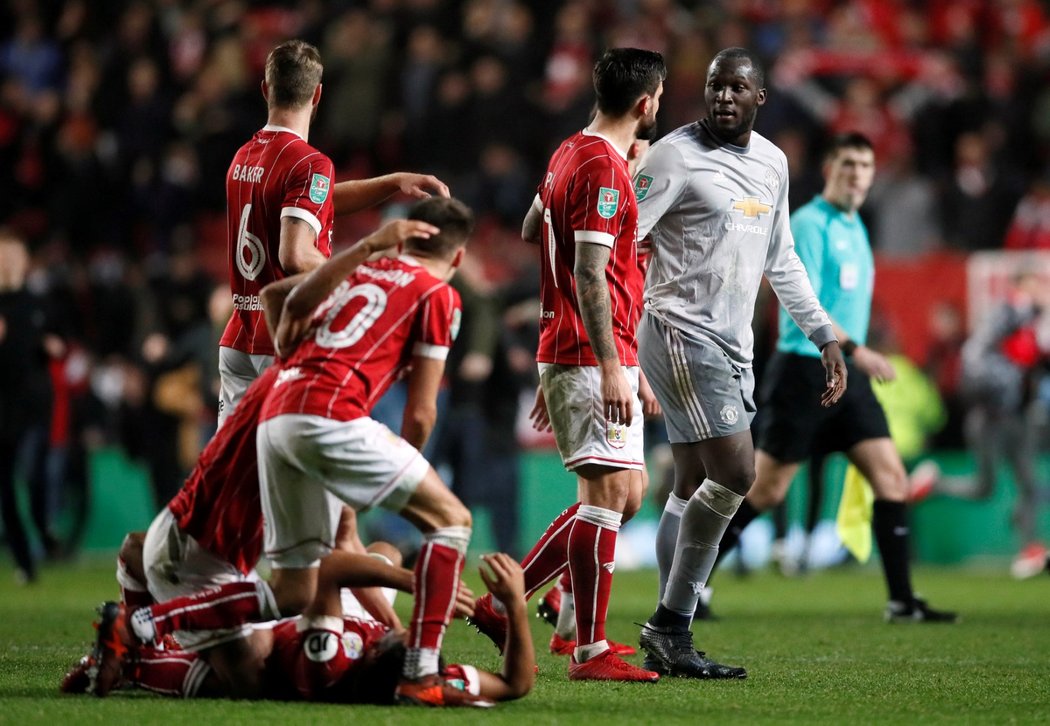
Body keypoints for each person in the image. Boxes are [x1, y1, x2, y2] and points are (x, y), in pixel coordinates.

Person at [100, 197, 479, 708]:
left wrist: (292, 352)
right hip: (332, 414)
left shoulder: (360, 271)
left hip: (277, 409)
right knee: (451, 521)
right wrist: (404, 465)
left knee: (297, 589)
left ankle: (144, 624)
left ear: (407, 237)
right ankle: (421, 669)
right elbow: (422, 412)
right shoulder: (438, 294)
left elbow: (278, 296)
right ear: (456, 260)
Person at [631, 47, 847, 679]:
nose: (724, 96)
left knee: (693, 484)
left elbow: (781, 260)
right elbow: (621, 242)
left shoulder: (773, 163)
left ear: (760, 99)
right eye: (714, 86)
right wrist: (615, 340)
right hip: (678, 329)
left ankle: (671, 618)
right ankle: (672, 624)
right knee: (737, 471)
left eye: (737, 88)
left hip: (732, 341)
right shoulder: (672, 154)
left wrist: (823, 333)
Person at [469, 48, 666, 683]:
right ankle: (588, 650)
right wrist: (609, 366)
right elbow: (587, 270)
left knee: (626, 492)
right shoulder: (604, 170)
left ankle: (539, 612)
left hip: (572, 349)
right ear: (645, 104)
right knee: (608, 496)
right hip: (587, 350)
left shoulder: (569, 152)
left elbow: (534, 226)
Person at [709, 133, 957, 623]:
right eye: (847, 163)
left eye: (865, 165)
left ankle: (902, 601)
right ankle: (691, 587)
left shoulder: (856, 226)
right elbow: (809, 304)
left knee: (891, 479)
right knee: (767, 491)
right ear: (829, 168)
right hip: (806, 369)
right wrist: (860, 350)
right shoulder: (808, 224)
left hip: (848, 374)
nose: (857, 173)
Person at [218, 38, 449, 427]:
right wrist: (359, 273)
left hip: (239, 337)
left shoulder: (245, 155)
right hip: (284, 339)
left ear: (265, 89)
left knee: (237, 473)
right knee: (295, 472)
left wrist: (392, 182)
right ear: (318, 94)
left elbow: (310, 205)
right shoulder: (309, 162)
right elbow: (295, 254)